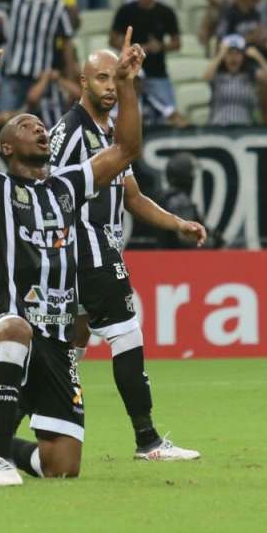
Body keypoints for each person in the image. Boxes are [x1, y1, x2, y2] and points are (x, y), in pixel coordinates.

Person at [0, 26, 148, 486]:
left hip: (57, 343)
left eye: (42, 125)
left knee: (62, 466)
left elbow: (127, 148)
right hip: (8, 321)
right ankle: (0, 463)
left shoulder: (67, 186)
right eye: (25, 126)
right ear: (7, 146)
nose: (39, 128)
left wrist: (128, 84)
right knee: (17, 328)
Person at [47, 40, 206, 461]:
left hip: (85, 252)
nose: (111, 86)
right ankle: (148, 440)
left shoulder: (104, 132)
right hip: (89, 251)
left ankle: (4, 427)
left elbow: (132, 196)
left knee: (70, 349)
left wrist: (177, 223)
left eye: (115, 78)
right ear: (82, 82)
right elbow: (52, 195)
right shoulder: (71, 132)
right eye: (102, 78)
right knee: (126, 334)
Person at [0, 0, 75, 113]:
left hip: (40, 78)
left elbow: (67, 43)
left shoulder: (58, 6)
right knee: (8, 122)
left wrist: (70, 77)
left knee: (40, 124)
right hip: (12, 72)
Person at [110, 0, 180, 115]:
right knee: (124, 115)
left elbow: (177, 43)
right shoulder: (125, 11)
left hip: (158, 73)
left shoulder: (166, 12)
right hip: (131, 75)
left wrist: (161, 47)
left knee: (171, 115)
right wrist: (132, 50)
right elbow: (112, 39)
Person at [204, 35, 267, 126]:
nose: (233, 58)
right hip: (218, 127)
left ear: (243, 56)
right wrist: (220, 54)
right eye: (230, 53)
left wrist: (258, 57)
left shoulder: (250, 74)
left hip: (244, 128)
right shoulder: (217, 75)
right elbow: (206, 77)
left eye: (237, 53)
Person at [156, 153, 216, 249]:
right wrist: (212, 242)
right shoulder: (180, 202)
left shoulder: (162, 198)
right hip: (178, 259)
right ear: (187, 177)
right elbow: (187, 239)